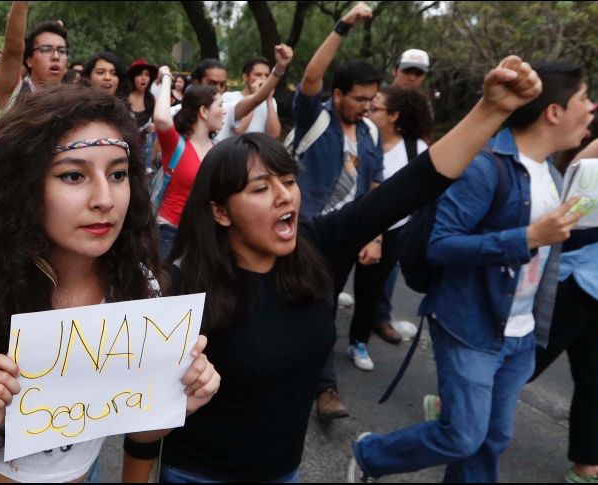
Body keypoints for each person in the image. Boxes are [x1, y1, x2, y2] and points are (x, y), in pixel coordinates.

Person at [122, 47, 544, 485]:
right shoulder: (182, 289)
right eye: (262, 188)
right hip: (198, 475)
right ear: (221, 212)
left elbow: (414, 184)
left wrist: (490, 109)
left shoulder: (318, 245)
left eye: (288, 181)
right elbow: (144, 423)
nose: (285, 196)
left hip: (284, 471)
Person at [0, 85, 220, 483]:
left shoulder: (136, 287)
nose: (104, 198)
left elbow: (140, 430)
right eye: (73, 175)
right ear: (24, 187)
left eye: (117, 174)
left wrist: (180, 401)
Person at [348, 61, 592, 484]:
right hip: (469, 327)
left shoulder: (553, 174)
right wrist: (528, 237)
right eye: (584, 99)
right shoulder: (484, 167)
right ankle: (370, 455)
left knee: (491, 439)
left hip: (519, 334)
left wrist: (535, 331)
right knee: (462, 436)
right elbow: (442, 245)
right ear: (554, 111)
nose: (591, 109)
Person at [291, 3, 384, 419]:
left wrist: (374, 234)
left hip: (346, 236)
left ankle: (308, 375)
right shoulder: (316, 116)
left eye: (372, 99)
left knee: (319, 305)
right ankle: (322, 388)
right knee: (314, 302)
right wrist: (343, 24)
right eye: (359, 99)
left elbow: (374, 186)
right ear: (338, 95)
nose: (366, 106)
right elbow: (311, 76)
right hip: (306, 229)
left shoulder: (370, 132)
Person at [153, 45, 293, 261]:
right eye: (220, 104)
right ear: (203, 111)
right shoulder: (176, 144)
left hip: (203, 236)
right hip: (169, 234)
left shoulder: (217, 149)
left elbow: (257, 98)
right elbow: (161, 119)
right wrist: (166, 79)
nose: (225, 109)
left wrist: (279, 69)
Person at [345, 86, 433, 367]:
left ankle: (358, 342)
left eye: (376, 106)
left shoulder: (416, 149)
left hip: (392, 232)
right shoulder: (360, 136)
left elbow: (421, 194)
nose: (368, 109)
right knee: (329, 282)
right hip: (349, 222)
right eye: (367, 104)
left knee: (371, 289)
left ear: (393, 116)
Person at [529, 136, 598, 484]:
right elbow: (573, 174)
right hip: (578, 278)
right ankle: (456, 408)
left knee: (595, 380)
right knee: (528, 361)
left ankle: (587, 464)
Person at [0, 1, 68, 123]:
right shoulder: (11, 94)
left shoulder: (74, 103)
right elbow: (12, 50)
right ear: (29, 60)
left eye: (62, 50)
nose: (56, 56)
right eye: (46, 49)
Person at [218, 56, 281, 141]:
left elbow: (274, 134)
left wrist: (269, 99)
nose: (263, 79)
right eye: (258, 75)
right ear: (245, 77)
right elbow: (239, 130)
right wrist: (255, 97)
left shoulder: (271, 102)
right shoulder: (228, 97)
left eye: (267, 75)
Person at [127, 58, 158, 169]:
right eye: (139, 74)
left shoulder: (151, 99)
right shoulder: (123, 97)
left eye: (147, 74)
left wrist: (153, 127)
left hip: (145, 156)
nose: (144, 78)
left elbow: (157, 125)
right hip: (126, 152)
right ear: (133, 77)